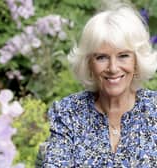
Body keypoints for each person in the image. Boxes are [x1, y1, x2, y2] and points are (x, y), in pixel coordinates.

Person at [40, 2, 157, 167]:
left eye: (123, 56)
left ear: (137, 61)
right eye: (102, 57)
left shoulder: (154, 109)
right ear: (89, 63)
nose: (113, 68)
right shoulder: (68, 113)